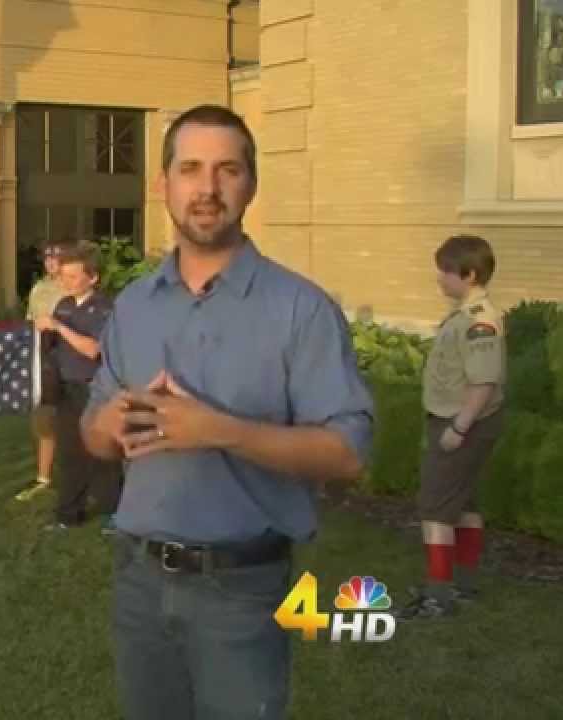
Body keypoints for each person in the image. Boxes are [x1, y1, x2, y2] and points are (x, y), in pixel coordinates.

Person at [80, 105, 373, 720]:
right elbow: (94, 432)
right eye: (190, 169)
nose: (207, 188)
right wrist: (104, 425)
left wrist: (223, 432)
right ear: (163, 185)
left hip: (242, 589)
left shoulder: (301, 309)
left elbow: (348, 453)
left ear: (251, 184)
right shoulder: (133, 306)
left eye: (227, 170)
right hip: (138, 580)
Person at [397, 234, 507, 621]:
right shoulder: (467, 314)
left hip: (463, 423)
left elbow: (483, 382)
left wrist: (458, 429)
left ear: (470, 274)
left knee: (436, 508)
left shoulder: (479, 323)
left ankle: (438, 594)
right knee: (465, 503)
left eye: (446, 271)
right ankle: (464, 583)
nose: (440, 278)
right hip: (467, 421)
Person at [33, 241, 120, 531]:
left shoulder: (105, 308)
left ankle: (115, 513)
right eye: (63, 277)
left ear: (92, 277)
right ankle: (69, 514)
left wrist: (59, 328)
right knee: (70, 451)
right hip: (66, 387)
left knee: (101, 452)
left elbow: (94, 350)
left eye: (72, 277)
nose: (65, 282)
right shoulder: (64, 305)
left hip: (94, 388)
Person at [15, 238, 69, 502]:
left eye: (55, 257)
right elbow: (29, 324)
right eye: (47, 258)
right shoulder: (39, 290)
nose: (50, 262)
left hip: (69, 359)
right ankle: (43, 478)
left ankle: (79, 474)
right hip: (43, 361)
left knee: (74, 419)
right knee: (44, 421)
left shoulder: (74, 287)